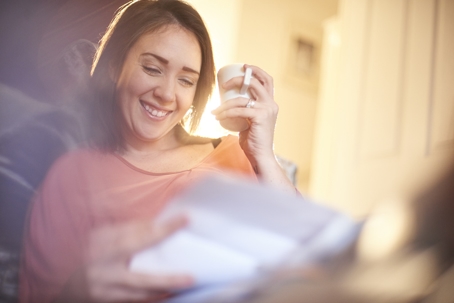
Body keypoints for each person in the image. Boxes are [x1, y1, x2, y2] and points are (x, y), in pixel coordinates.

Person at [19, 0, 296, 302]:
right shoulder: (72, 176)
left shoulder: (235, 155)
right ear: (115, 66)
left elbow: (305, 261)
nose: (166, 94)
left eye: (186, 80)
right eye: (152, 68)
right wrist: (77, 292)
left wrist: (264, 155)